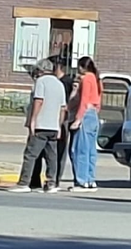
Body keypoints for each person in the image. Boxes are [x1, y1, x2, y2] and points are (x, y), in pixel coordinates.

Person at [9, 57, 67, 193]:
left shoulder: (41, 82)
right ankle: (51, 183)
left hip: (41, 125)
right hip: (53, 126)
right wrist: (58, 126)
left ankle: (24, 183)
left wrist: (33, 120)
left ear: (40, 70)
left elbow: (38, 101)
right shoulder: (59, 84)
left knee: (30, 155)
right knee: (51, 156)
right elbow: (63, 108)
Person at [30, 56, 75, 189]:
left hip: (49, 123)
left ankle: (49, 181)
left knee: (44, 154)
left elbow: (41, 101)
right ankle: (44, 181)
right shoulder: (56, 83)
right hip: (51, 122)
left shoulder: (63, 82)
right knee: (46, 154)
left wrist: (33, 120)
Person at [69, 56, 102, 192]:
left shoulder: (87, 78)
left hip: (86, 113)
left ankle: (81, 181)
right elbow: (99, 99)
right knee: (90, 150)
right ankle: (90, 179)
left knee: (79, 149)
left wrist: (78, 119)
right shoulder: (96, 78)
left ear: (82, 67)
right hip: (93, 113)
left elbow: (83, 100)